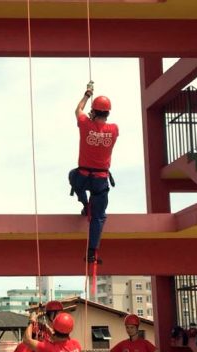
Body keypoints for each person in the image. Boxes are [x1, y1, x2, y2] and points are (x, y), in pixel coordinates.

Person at [69, 82, 119, 264]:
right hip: (100, 179)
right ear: (108, 113)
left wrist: (87, 93)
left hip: (83, 176)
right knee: (98, 217)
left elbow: (78, 109)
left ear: (94, 111)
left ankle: (84, 203)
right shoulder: (114, 130)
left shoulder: (85, 124)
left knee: (72, 177)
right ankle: (92, 253)